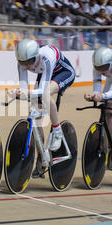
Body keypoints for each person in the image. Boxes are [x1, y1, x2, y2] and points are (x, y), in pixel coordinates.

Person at [9, 39, 76, 177]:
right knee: (34, 112)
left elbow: (42, 91)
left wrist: (27, 93)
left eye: (30, 61)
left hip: (63, 73)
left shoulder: (46, 57)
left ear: (37, 55)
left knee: (46, 94)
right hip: (45, 74)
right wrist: (18, 92)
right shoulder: (23, 60)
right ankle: (41, 157)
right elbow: (24, 87)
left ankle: (57, 130)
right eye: (23, 62)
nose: (27, 66)